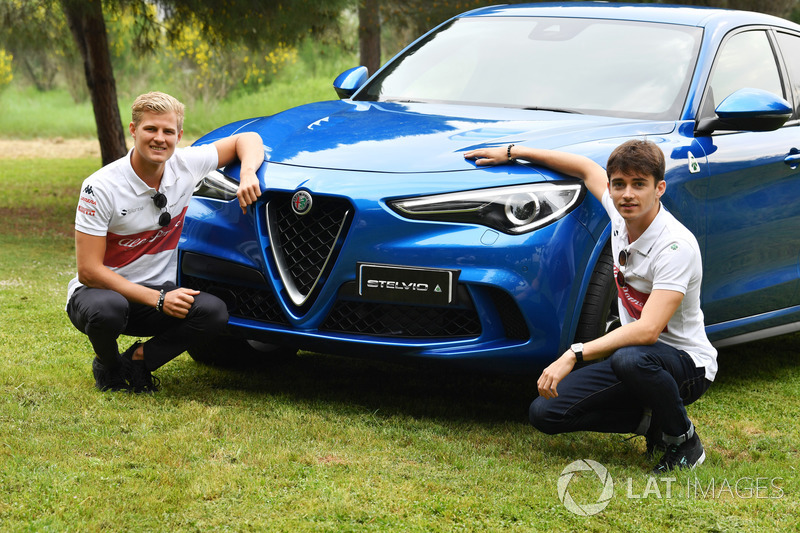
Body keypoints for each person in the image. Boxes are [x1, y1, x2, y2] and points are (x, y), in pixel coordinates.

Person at [464, 140, 717, 473]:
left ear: (659, 189)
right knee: (546, 413)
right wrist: (514, 152)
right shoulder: (618, 213)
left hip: (687, 366)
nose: (627, 194)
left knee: (630, 358)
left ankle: (685, 440)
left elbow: (648, 330)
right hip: (636, 361)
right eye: (619, 184)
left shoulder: (675, 246)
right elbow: (585, 168)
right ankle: (654, 424)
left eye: (639, 185)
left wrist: (574, 353)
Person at [66, 91, 264, 393]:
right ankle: (109, 366)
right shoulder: (100, 186)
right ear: (134, 131)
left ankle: (140, 361)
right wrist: (158, 299)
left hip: (158, 294)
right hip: (101, 294)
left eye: (168, 131)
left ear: (179, 135)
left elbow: (246, 139)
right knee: (108, 310)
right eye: (151, 129)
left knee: (214, 312)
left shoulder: (187, 164)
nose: (159, 138)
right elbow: (88, 271)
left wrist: (248, 173)